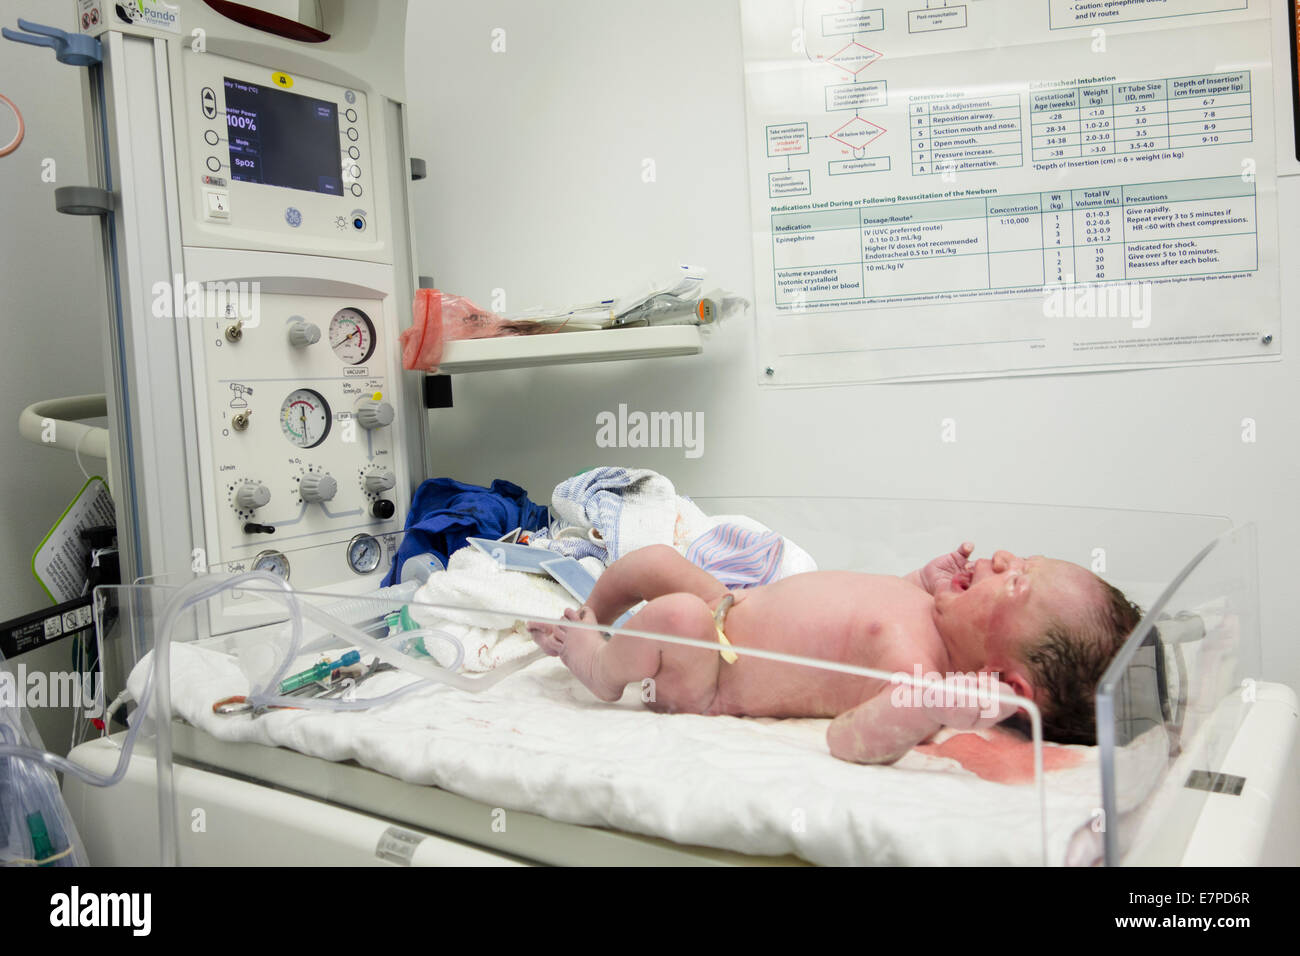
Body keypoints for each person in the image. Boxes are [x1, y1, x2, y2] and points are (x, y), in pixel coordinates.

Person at [528, 542, 1142, 763]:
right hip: (735, 609)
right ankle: (596, 614)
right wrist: (917, 578)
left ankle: (600, 667)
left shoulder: (916, 680)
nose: (1004, 557)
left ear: (1002, 682)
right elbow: (862, 609)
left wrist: (931, 708)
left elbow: (848, 739)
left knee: (676, 616)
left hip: (710, 672)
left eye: (1017, 582)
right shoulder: (927, 613)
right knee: (654, 561)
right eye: (1023, 559)